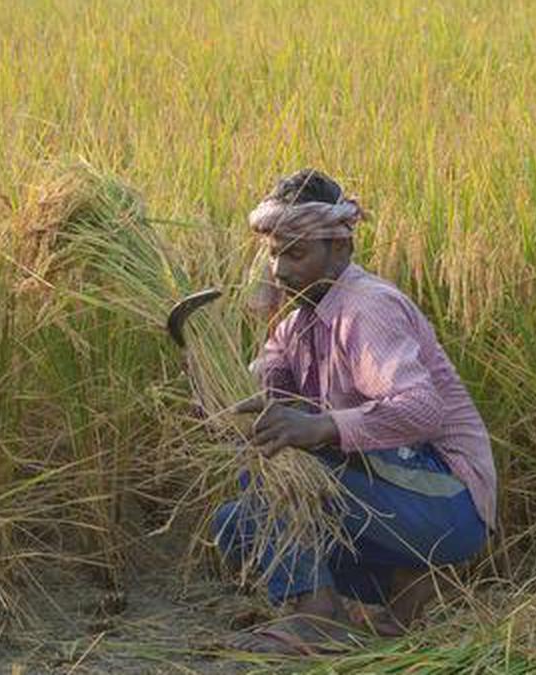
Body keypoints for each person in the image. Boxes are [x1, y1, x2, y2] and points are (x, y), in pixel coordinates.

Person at [213, 169, 498, 654]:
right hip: (396, 493)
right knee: (237, 523)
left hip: (448, 501)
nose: (280, 270)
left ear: (340, 250)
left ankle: (317, 616)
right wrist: (212, 374)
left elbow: (421, 409)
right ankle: (399, 593)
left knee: (277, 473)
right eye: (275, 253)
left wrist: (320, 426)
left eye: (296, 254)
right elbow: (268, 393)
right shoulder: (296, 321)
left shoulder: (366, 308)